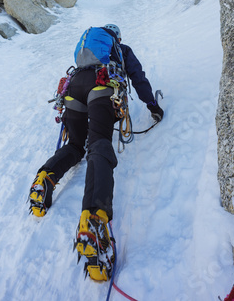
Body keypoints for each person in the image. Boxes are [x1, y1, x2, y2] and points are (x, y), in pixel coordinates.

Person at [29, 24, 163, 281]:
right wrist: (153, 105)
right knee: (100, 143)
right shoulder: (121, 50)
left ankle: (45, 178)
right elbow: (137, 76)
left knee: (75, 146)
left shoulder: (85, 53)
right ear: (117, 38)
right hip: (102, 84)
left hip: (74, 87)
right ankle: (95, 218)